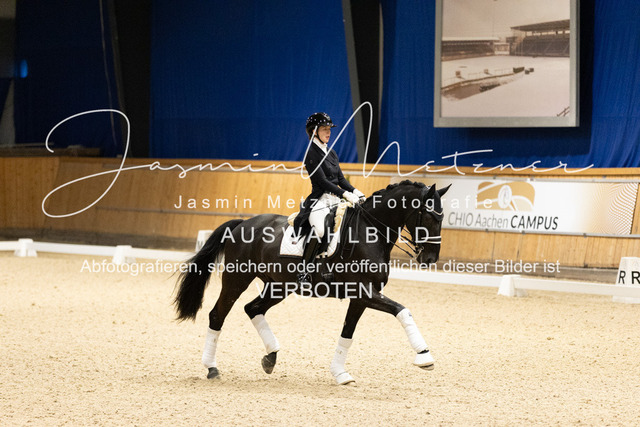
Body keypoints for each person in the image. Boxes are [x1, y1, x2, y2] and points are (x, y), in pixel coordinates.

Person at [293, 112, 365, 284]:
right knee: (319, 229)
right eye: (325, 129)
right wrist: (345, 194)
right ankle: (304, 270)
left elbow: (340, 179)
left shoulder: (331, 153)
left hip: (335, 200)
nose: (328, 132)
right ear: (314, 131)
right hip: (319, 200)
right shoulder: (311, 153)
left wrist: (356, 191)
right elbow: (323, 182)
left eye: (329, 129)